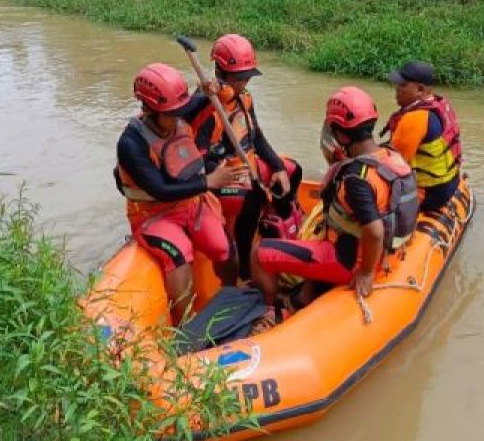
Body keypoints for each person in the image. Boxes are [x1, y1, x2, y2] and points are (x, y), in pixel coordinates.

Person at [249, 86, 418, 313]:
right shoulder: (390, 157)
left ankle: (269, 313)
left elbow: (375, 231)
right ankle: (304, 296)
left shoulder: (356, 178)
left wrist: (366, 273)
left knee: (259, 253)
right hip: (376, 251)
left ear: (342, 135)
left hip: (346, 260)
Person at [114, 63, 246, 325]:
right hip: (154, 214)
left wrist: (213, 89)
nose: (179, 118)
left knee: (222, 246)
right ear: (150, 110)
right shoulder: (131, 143)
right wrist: (208, 181)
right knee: (178, 252)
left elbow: (204, 98)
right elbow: (160, 190)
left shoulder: (179, 114)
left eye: (180, 111)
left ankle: (232, 292)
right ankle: (186, 324)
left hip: (190, 204)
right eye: (172, 113)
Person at [188, 34, 302, 278]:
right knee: (251, 196)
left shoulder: (245, 98)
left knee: (293, 170)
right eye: (239, 78)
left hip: (247, 163)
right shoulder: (206, 106)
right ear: (220, 72)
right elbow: (197, 160)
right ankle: (244, 267)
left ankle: (277, 229)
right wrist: (220, 173)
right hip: (221, 176)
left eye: (246, 76)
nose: (244, 82)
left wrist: (278, 167)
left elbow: (256, 136)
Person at [382, 60, 463, 213]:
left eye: (402, 85)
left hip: (429, 194)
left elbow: (393, 167)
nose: (397, 90)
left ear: (420, 89)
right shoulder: (438, 104)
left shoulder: (416, 118)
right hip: (448, 183)